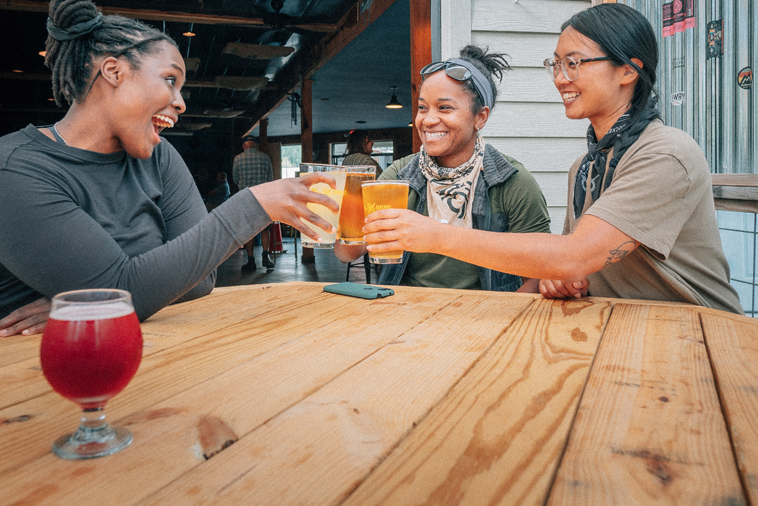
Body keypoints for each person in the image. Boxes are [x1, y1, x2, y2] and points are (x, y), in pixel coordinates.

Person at [359, 4, 743, 314]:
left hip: (699, 331)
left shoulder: (666, 153)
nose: (560, 78)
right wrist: (559, 278)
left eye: (573, 63)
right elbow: (570, 265)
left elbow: (576, 255)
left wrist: (435, 235)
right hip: (621, 324)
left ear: (628, 69)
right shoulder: (588, 164)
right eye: (555, 64)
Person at [0, 0, 339, 337]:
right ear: (113, 71)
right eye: (170, 79)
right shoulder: (15, 169)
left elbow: (199, 280)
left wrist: (96, 299)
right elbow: (126, 285)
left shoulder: (159, 157)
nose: (181, 102)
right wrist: (253, 205)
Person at [335, 46, 551, 292]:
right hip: (407, 312)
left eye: (444, 108)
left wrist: (498, 326)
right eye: (423, 107)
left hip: (485, 318)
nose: (427, 120)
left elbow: (539, 271)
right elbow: (348, 252)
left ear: (480, 117)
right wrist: (337, 215)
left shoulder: (512, 181)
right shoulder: (399, 175)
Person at [233, 135, 275, 271]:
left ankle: (251, 261)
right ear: (255, 145)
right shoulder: (265, 157)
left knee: (249, 230)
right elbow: (270, 179)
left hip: (246, 198)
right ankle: (265, 257)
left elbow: (235, 179)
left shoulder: (238, 159)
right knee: (265, 229)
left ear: (244, 145)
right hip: (263, 198)